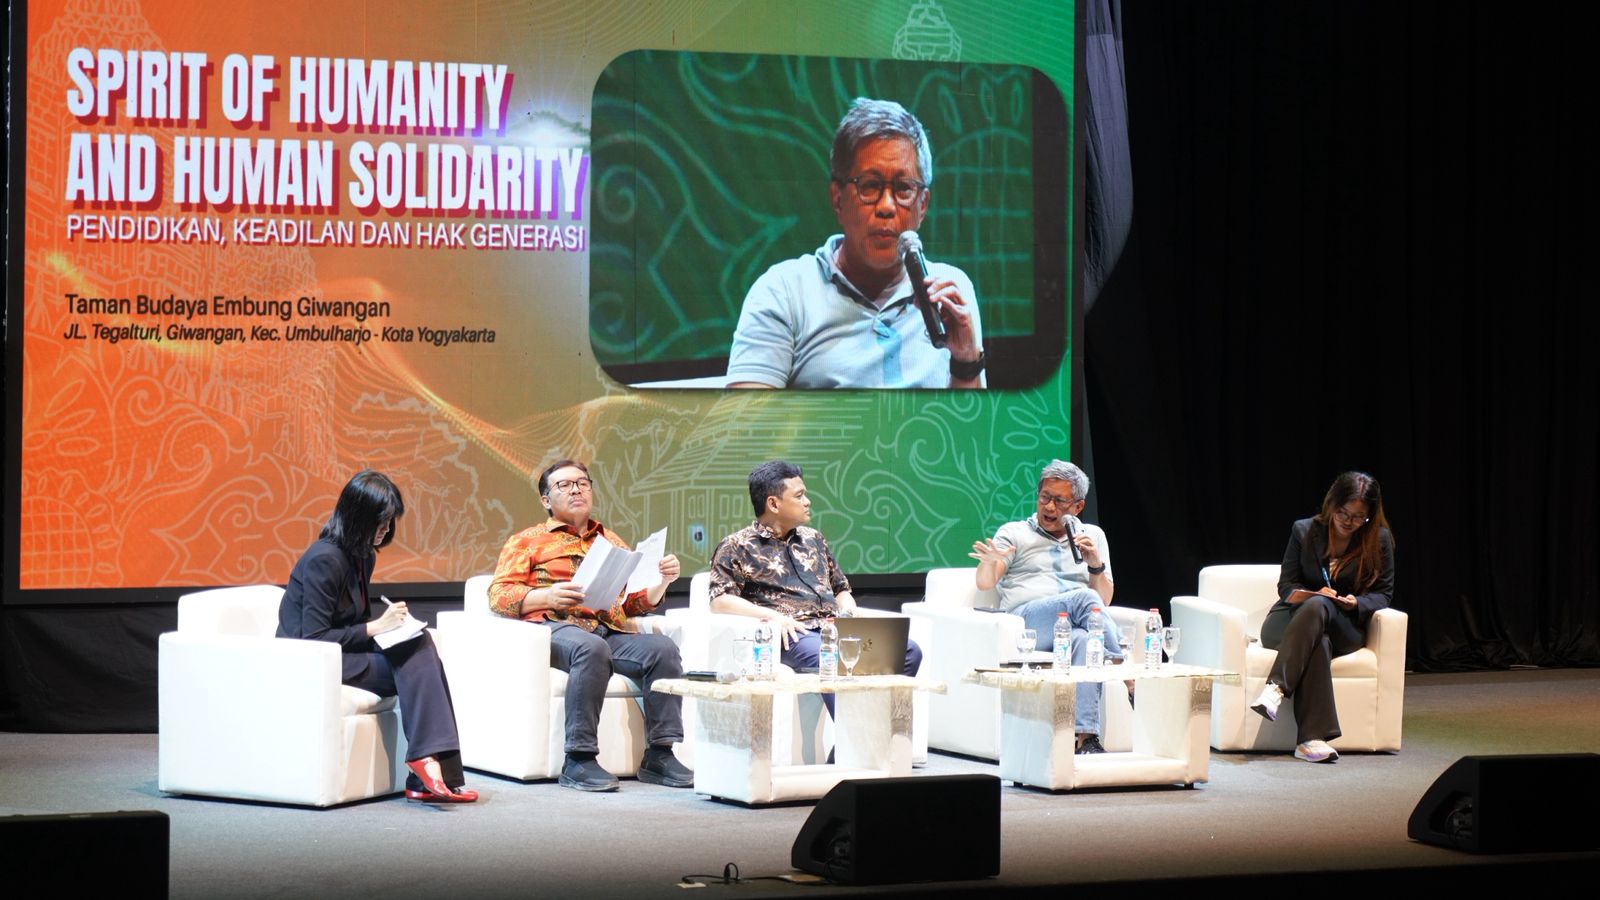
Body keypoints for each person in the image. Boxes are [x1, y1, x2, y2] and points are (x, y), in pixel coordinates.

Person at [726, 97, 986, 389]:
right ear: (838, 199)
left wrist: (966, 361)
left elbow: (971, 430)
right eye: (870, 186)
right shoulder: (784, 292)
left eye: (903, 189)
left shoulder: (950, 292)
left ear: (923, 205)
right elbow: (746, 425)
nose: (887, 206)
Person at [487, 459, 693, 792]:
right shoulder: (526, 541)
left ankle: (661, 752)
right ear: (545, 500)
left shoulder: (610, 540)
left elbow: (628, 602)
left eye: (582, 483)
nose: (576, 490)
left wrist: (662, 582)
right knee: (590, 648)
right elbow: (499, 594)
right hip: (552, 628)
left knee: (662, 649)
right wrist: (548, 595)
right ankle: (579, 759)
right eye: (564, 485)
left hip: (603, 628)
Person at [277, 470, 477, 803]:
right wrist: (374, 627)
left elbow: (349, 620)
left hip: (341, 654)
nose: (385, 531)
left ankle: (427, 768)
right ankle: (429, 771)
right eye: (379, 523)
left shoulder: (363, 556)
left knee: (421, 644)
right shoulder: (324, 559)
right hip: (310, 661)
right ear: (357, 518)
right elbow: (313, 638)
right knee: (422, 666)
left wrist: (393, 628)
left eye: (389, 523)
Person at [707, 460, 923, 694]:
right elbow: (720, 600)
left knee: (908, 651)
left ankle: (881, 724)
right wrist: (774, 616)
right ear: (773, 504)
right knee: (831, 659)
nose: (807, 502)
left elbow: (840, 589)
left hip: (833, 628)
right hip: (795, 634)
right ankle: (848, 728)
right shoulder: (737, 545)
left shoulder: (814, 539)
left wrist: (848, 612)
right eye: (799, 496)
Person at [970, 459, 1125, 754]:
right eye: (1044, 498)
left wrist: (1094, 565)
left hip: (1073, 625)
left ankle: (1084, 737)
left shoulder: (1093, 537)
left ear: (1078, 507)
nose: (1049, 508)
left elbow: (1104, 599)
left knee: (1085, 638)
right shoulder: (1015, 533)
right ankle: (1124, 671)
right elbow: (986, 583)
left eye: (1059, 501)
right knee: (1084, 599)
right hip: (1028, 622)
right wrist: (990, 563)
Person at [1251, 471, 1395, 763]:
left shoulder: (1379, 539)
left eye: (1359, 517)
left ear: (1370, 515)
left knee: (1322, 610)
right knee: (1318, 629)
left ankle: (1276, 689)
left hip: (1346, 625)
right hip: (1290, 620)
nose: (1348, 522)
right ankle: (1309, 741)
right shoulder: (1304, 531)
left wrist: (1358, 602)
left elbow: (1384, 593)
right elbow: (1286, 586)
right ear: (1331, 503)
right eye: (1343, 513)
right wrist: (1314, 593)